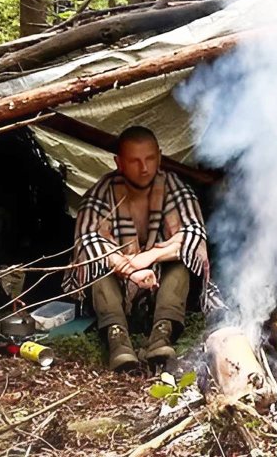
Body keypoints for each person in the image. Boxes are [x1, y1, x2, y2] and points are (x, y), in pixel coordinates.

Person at [71, 125, 209, 371]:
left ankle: (162, 335)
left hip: (158, 285)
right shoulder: (102, 192)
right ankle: (118, 342)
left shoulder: (173, 187)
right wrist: (128, 269)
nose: (144, 168)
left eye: (150, 159)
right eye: (135, 161)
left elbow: (194, 233)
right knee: (98, 267)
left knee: (181, 263)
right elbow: (88, 239)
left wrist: (151, 256)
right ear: (119, 162)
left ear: (159, 156)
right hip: (120, 286)